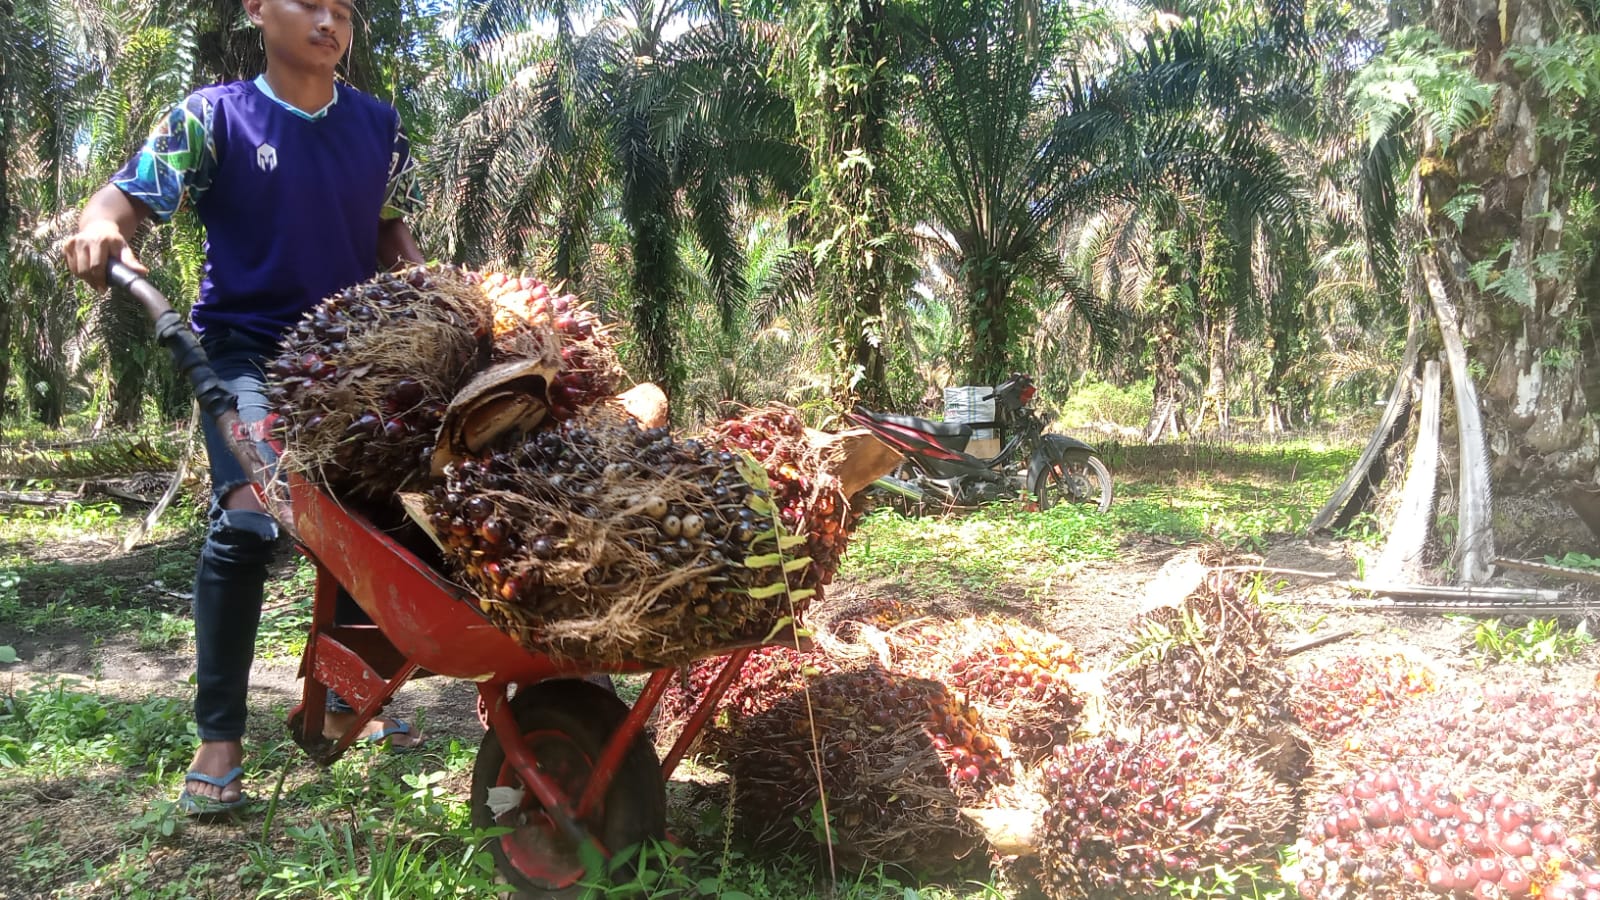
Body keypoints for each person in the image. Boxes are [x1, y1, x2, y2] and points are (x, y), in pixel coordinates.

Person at [63, 0, 426, 815]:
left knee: (373, 522)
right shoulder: (210, 118)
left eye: (344, 9)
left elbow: (394, 241)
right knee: (250, 517)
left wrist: (444, 306)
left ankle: (342, 695)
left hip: (353, 363)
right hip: (248, 356)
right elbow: (125, 200)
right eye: (310, 3)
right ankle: (220, 734)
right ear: (258, 9)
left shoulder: (381, 126)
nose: (330, 22)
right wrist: (97, 228)